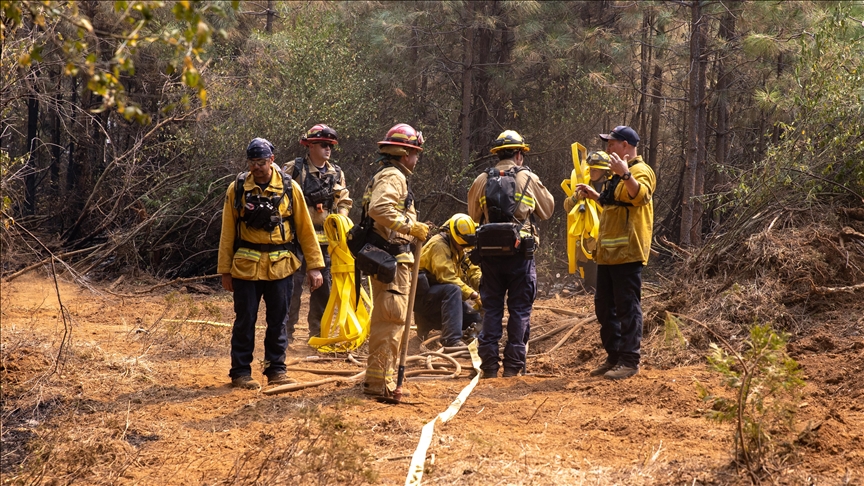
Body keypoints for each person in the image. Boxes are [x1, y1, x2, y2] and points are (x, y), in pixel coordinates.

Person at [217, 138, 325, 389]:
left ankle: (276, 370)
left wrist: (315, 266)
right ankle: (240, 372)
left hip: (281, 266)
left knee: (279, 321)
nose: (257, 167)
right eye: (252, 162)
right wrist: (225, 271)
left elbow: (306, 230)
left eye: (261, 162)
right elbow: (227, 231)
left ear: (272, 160)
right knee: (245, 321)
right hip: (246, 267)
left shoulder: (290, 188)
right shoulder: (238, 188)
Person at [467, 130, 554, 378]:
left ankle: (490, 367)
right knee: (519, 310)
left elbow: (472, 216)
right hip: (520, 256)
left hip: (490, 257)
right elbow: (547, 210)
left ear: (497, 155)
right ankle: (513, 368)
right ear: (519, 154)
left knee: (492, 310)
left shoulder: (481, 179)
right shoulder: (528, 177)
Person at [575, 126, 655, 380]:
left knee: (627, 308)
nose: (608, 148)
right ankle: (614, 357)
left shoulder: (641, 171)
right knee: (604, 308)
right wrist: (594, 196)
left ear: (625, 145)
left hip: (628, 253)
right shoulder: (614, 175)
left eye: (611, 143)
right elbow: (614, 203)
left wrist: (626, 174)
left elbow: (640, 196)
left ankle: (630, 361)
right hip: (608, 254)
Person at [360, 123, 429, 398]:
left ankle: (382, 380)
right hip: (392, 258)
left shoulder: (390, 174)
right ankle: (380, 384)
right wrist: (411, 227)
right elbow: (379, 208)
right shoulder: (393, 176)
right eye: (415, 153)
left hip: (393, 258)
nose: (417, 158)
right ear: (404, 153)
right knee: (391, 319)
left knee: (392, 319)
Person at [283, 124, 352, 345]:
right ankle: (285, 336)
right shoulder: (294, 169)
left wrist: (340, 220)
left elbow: (344, 201)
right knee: (292, 288)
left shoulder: (336, 173)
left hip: (325, 242)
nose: (328, 149)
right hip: (297, 241)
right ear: (310, 146)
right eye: (323, 144)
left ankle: (318, 335)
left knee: (323, 290)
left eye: (330, 145)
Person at [414, 213, 482, 348]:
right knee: (453, 290)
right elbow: (447, 278)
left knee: (476, 319)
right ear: (453, 235)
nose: (464, 248)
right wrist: (473, 295)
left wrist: (484, 287)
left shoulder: (458, 246)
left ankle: (466, 335)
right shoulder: (439, 245)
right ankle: (451, 340)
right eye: (462, 245)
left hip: (441, 300)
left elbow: (472, 269)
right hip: (424, 302)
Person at [563, 151, 613, 293]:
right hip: (587, 232)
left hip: (605, 231)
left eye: (595, 170)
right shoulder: (584, 184)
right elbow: (567, 206)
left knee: (602, 262)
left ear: (604, 171)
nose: (591, 172)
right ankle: (589, 285)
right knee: (587, 260)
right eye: (590, 169)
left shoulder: (611, 186)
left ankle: (600, 288)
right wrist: (576, 198)